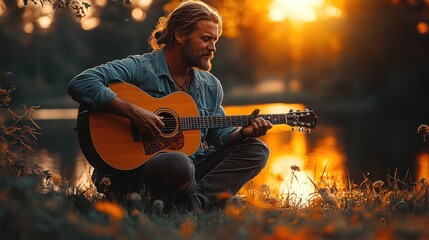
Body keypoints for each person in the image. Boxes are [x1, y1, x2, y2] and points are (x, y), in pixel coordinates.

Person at [68, 0, 272, 213]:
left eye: (215, 40)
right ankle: (195, 200)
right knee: (178, 163)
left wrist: (242, 133)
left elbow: (219, 135)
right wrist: (134, 113)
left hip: (191, 169)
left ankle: (193, 204)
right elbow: (81, 83)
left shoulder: (210, 85)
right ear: (180, 35)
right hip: (133, 172)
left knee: (257, 150)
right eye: (206, 39)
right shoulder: (141, 67)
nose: (212, 48)